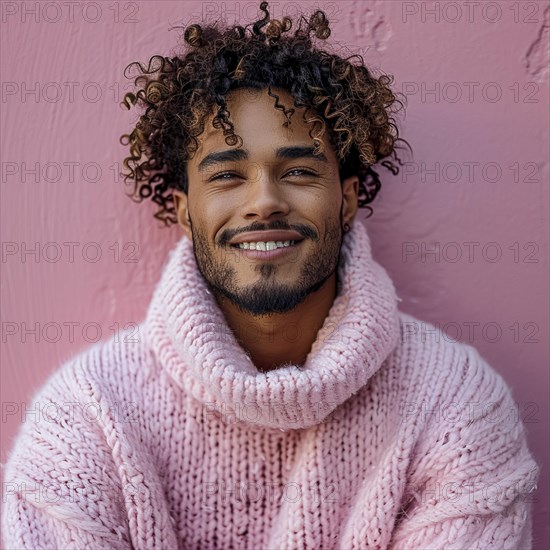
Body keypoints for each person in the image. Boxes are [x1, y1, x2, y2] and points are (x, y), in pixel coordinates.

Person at [2, 2, 540, 548]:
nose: (264, 202)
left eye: (300, 171)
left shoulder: (453, 404)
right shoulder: (88, 415)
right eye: (229, 175)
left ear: (347, 200)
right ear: (185, 212)